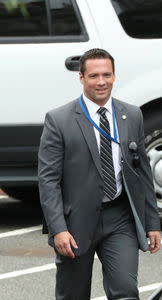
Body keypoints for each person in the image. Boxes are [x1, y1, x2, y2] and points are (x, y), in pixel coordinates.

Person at [38, 48, 161, 299]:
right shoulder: (59, 120)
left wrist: (152, 223)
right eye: (94, 76)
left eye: (107, 74)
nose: (101, 81)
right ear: (81, 78)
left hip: (120, 217)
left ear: (114, 76)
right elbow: (48, 180)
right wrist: (58, 228)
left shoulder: (132, 115)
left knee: (126, 290)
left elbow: (143, 173)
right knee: (73, 294)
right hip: (75, 222)